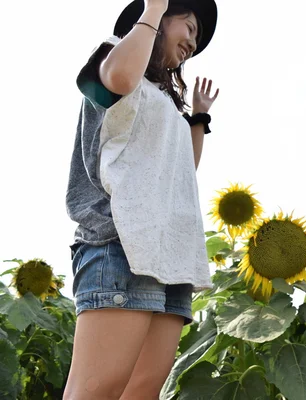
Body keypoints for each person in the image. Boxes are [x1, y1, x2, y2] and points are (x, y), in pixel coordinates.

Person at [63, 0, 219, 398]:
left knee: (142, 390)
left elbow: (183, 171)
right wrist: (153, 8)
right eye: (189, 27)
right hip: (122, 243)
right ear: (162, 19)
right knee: (97, 390)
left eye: (197, 37)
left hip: (170, 255)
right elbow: (117, 77)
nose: (192, 42)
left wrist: (198, 117)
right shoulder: (115, 56)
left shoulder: (165, 102)